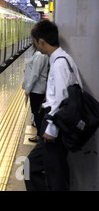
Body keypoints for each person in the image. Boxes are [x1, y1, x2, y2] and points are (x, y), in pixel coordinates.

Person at [25, 20, 83, 191]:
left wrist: (52, 130)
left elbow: (61, 98)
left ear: (41, 41)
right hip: (56, 125)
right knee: (49, 172)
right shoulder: (63, 60)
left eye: (35, 43)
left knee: (53, 175)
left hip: (55, 128)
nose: (35, 47)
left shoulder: (59, 64)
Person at [22, 46, 49, 142]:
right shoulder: (41, 54)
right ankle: (40, 135)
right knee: (37, 113)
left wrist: (27, 90)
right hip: (36, 89)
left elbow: (35, 75)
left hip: (36, 90)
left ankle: (39, 136)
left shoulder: (40, 55)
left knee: (37, 113)